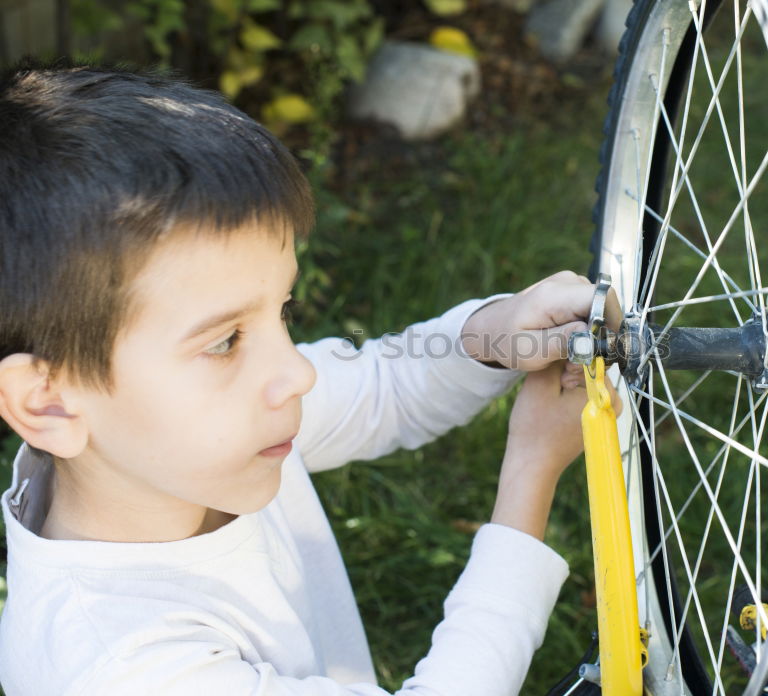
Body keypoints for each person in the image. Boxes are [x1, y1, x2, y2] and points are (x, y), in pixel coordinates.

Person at [0, 60, 609, 695]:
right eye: (225, 340)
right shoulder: (121, 668)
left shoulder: (190, 444)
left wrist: (497, 333)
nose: (295, 371)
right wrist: (532, 469)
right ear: (50, 404)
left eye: (283, 311)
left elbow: (383, 389)